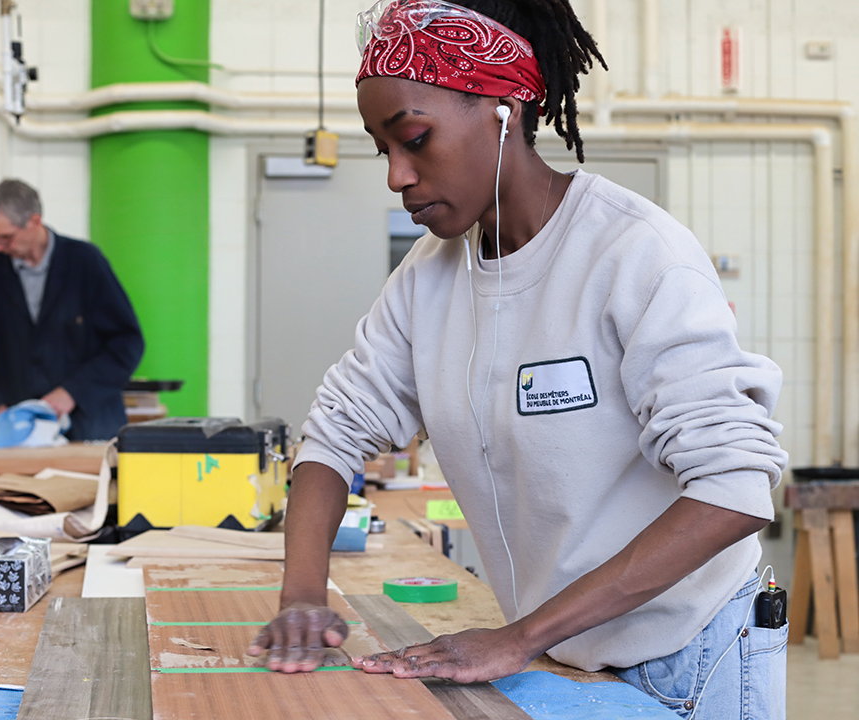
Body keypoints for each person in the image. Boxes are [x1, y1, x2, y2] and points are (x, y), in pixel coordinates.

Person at [246, 1, 789, 718]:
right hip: (568, 656)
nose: (396, 176)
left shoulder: (633, 253)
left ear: (503, 108)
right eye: (384, 151)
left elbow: (736, 489)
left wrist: (520, 637)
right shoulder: (428, 276)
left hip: (691, 655)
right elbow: (334, 434)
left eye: (414, 139)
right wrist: (304, 598)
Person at [0, 179, 144, 441]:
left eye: (6, 237)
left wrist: (73, 392)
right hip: (23, 432)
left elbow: (126, 343)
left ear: (35, 222)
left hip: (91, 427)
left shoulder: (85, 263)